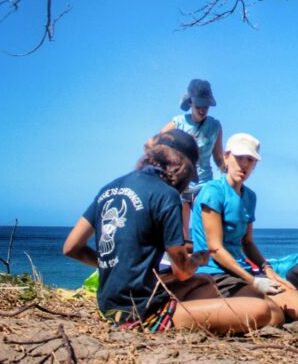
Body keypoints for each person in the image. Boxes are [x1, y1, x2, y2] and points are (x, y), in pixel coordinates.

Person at [62, 130, 271, 333]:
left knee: (205, 282)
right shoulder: (166, 195)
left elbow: (71, 248)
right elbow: (182, 272)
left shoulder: (109, 188)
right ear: (184, 167)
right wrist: (197, 260)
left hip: (107, 307)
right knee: (260, 309)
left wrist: (114, 265)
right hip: (142, 313)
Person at [190, 132, 298, 324]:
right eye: (239, 158)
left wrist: (268, 270)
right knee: (274, 316)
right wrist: (253, 281)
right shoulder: (213, 192)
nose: (244, 165)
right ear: (226, 157)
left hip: (243, 270)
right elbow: (215, 248)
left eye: (250, 160)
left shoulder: (249, 196)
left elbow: (247, 242)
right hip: (215, 272)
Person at [156, 78, 225, 240]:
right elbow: (155, 144)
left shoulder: (215, 126)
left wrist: (228, 172)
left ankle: (208, 262)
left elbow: (217, 157)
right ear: (191, 103)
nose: (202, 110)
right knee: (182, 235)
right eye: (198, 106)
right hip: (180, 183)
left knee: (208, 232)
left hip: (204, 184)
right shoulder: (178, 122)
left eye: (206, 106)